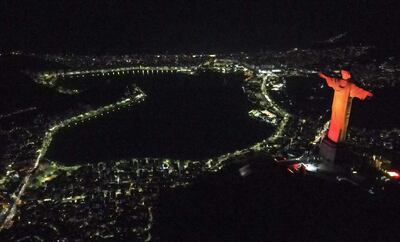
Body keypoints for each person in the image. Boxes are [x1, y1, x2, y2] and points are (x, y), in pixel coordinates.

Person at [318, 70, 373, 143]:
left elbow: (329, 79)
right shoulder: (351, 86)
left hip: (336, 110)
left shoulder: (337, 82)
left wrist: (323, 75)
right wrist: (369, 94)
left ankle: (332, 140)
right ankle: (338, 142)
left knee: (334, 125)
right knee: (340, 131)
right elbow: (360, 92)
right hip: (343, 114)